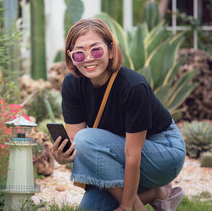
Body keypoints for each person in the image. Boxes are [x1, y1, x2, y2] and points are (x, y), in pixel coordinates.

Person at [51, 18, 186, 211]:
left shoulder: (133, 86)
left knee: (85, 140)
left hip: (163, 152)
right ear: (71, 57)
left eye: (96, 50)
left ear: (111, 50)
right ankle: (158, 192)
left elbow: (132, 154)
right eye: (79, 53)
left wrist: (126, 206)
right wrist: (62, 156)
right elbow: (79, 148)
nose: (88, 58)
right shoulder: (71, 85)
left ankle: (139, 203)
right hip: (118, 152)